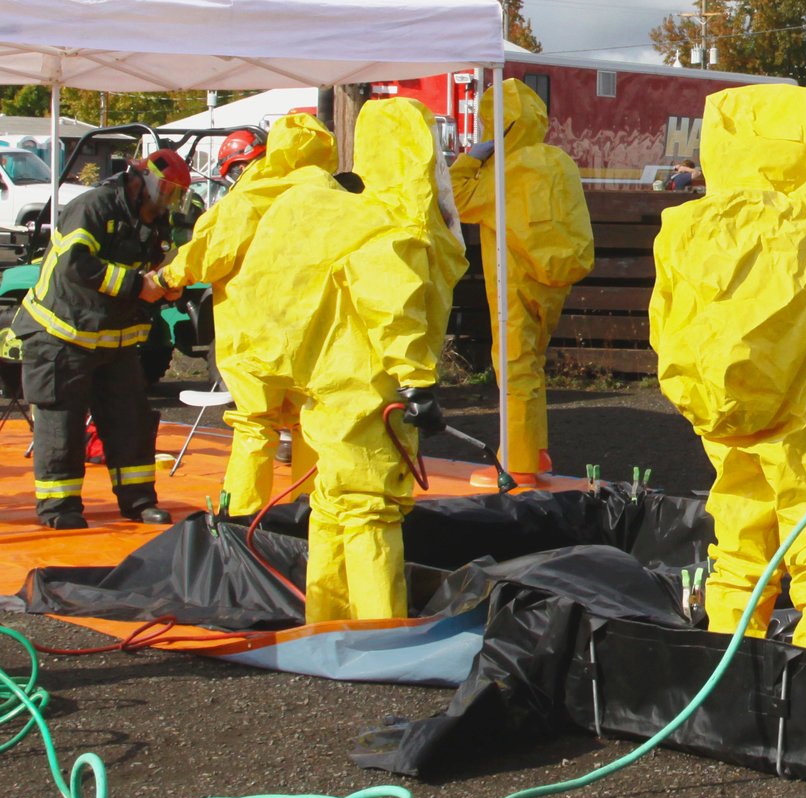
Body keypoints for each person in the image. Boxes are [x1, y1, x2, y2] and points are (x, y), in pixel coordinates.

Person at [649, 84, 806, 656]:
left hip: (725, 415)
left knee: (739, 544)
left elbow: (663, 321)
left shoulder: (681, 228)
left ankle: (729, 661)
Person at [222, 98, 467, 622]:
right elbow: (393, 310)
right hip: (368, 391)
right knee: (371, 512)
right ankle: (380, 631)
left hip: (327, 386)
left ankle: (328, 624)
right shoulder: (388, 226)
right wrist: (418, 383)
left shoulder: (336, 216)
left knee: (333, 507)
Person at [158, 113, 337, 515]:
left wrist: (168, 277)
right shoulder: (333, 194)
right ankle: (315, 513)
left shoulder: (253, 195)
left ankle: (241, 516)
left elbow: (210, 255)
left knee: (256, 423)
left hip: (256, 332)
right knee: (310, 421)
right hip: (315, 333)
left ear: (239, 166)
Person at [13, 150, 193, 529]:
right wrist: (137, 286)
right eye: (166, 191)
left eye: (176, 196)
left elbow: (152, 268)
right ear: (140, 180)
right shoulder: (93, 207)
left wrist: (166, 286)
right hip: (61, 334)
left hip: (114, 341)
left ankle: (139, 501)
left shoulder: (155, 224)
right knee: (61, 424)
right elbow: (76, 264)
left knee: (130, 421)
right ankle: (60, 509)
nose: (168, 203)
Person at [450, 78, 596, 480]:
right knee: (532, 365)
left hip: (512, 278)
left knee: (515, 368)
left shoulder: (503, 171)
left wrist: (471, 159)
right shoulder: (559, 162)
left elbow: (456, 199)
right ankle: (535, 450)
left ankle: (518, 464)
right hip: (554, 279)